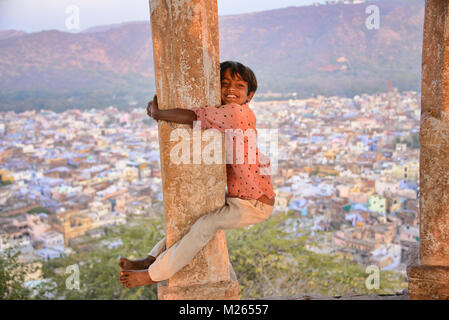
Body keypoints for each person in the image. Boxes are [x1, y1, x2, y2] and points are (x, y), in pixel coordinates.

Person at [119, 61, 276, 288]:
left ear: (249, 95)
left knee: (203, 226)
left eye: (239, 85)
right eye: (224, 83)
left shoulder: (234, 112)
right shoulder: (235, 112)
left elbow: (193, 116)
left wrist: (159, 113)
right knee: (193, 221)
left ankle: (152, 274)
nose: (230, 89)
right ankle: (151, 259)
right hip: (242, 198)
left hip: (253, 204)